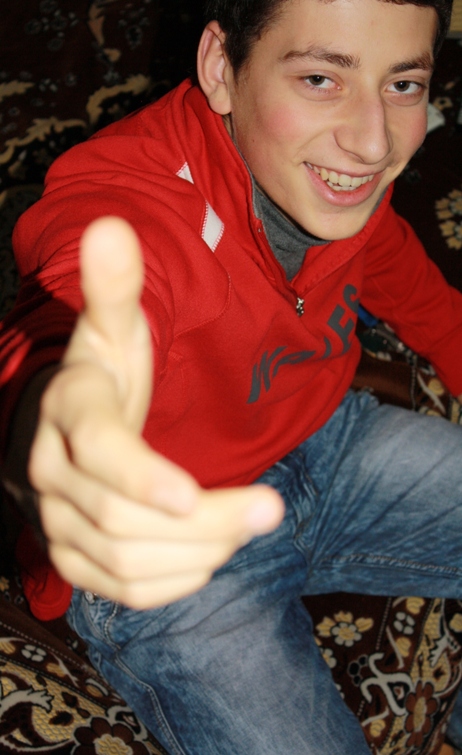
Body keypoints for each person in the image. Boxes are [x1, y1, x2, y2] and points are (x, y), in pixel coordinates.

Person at [1, 0, 462, 751]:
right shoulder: (130, 200)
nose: (373, 141)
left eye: (402, 85)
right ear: (221, 67)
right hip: (177, 545)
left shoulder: (339, 181)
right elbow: (71, 311)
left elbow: (416, 291)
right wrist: (59, 424)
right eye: (320, 79)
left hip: (325, 444)